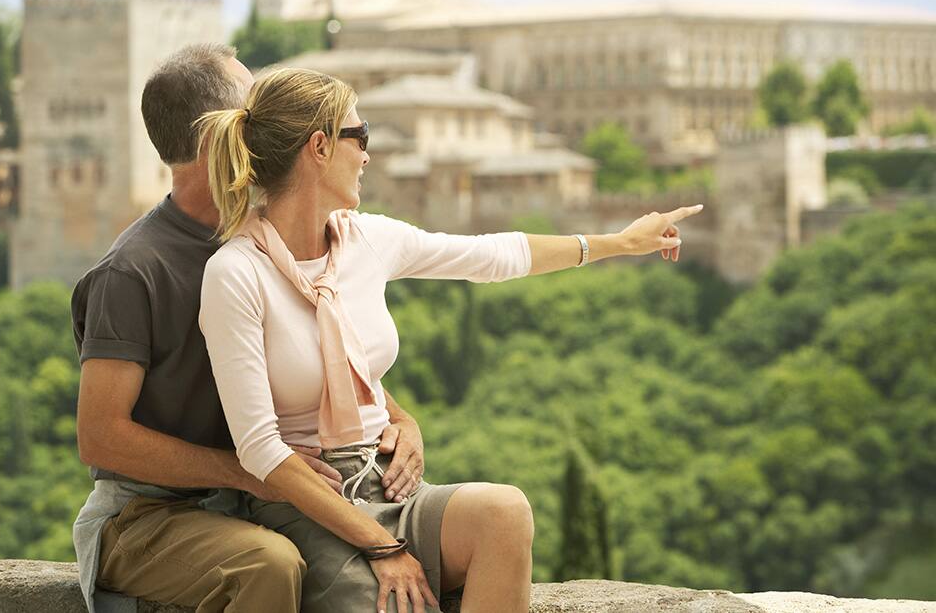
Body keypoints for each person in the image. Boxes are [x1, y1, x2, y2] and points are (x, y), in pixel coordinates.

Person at [195, 66, 703, 613]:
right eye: (359, 137)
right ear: (319, 147)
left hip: (388, 482)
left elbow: (492, 255)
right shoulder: (235, 274)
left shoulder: (367, 240)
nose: (368, 155)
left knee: (505, 514)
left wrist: (621, 243)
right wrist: (380, 544)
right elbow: (260, 451)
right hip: (305, 506)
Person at [70, 44, 430, 613]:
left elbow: (315, 359)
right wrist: (247, 471)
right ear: (222, 137)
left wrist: (400, 420)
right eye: (255, 111)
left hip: (255, 500)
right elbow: (101, 437)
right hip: (147, 516)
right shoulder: (133, 271)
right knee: (270, 564)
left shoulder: (273, 241)